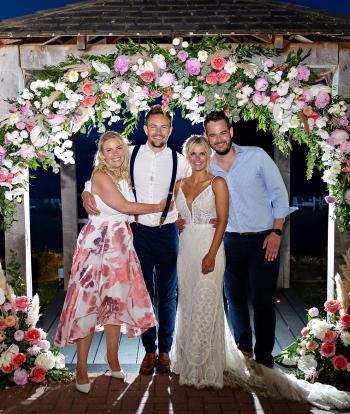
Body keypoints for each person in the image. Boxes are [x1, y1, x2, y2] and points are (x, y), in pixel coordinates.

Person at [55, 131, 167, 393]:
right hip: (97, 246)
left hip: (120, 247)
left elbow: (94, 189)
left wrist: (84, 191)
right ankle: (81, 368)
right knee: (89, 306)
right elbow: (124, 206)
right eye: (109, 150)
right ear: (101, 154)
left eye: (118, 148)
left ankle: (112, 360)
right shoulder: (101, 175)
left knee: (115, 304)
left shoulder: (126, 173)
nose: (115, 153)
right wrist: (161, 205)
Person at [82, 105, 187, 375]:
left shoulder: (181, 161)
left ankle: (165, 351)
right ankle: (149, 351)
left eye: (164, 126)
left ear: (170, 130)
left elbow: (194, 189)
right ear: (145, 129)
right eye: (153, 126)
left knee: (167, 295)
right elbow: (103, 171)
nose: (158, 131)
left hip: (167, 233)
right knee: (142, 297)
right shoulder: (131, 154)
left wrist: (193, 218)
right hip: (136, 233)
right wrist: (85, 192)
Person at [204, 110, 297, 368]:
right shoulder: (206, 165)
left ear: (231, 132)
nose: (219, 139)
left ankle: (264, 358)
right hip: (228, 241)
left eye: (223, 132)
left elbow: (279, 194)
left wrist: (277, 232)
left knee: (262, 300)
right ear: (206, 137)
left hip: (263, 239)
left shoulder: (256, 156)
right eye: (213, 134)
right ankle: (243, 351)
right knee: (234, 298)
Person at [170, 135, 229, 388]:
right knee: (188, 303)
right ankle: (186, 362)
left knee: (206, 303)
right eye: (192, 154)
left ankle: (203, 368)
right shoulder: (179, 184)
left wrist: (211, 254)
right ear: (187, 156)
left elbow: (223, 221)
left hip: (209, 248)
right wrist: (176, 222)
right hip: (186, 250)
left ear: (209, 155)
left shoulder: (218, 183)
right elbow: (172, 213)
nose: (197, 159)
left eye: (202, 153)